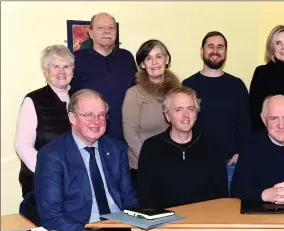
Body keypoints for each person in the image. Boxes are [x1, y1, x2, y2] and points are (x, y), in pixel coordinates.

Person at [34, 89, 139, 231]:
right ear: (72, 118)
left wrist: (138, 225)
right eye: (89, 115)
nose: (96, 121)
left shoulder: (116, 149)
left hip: (121, 225)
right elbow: (52, 215)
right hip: (81, 228)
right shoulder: (52, 156)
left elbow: (129, 198)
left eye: (101, 115)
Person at [137, 87, 228, 209]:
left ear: (196, 114)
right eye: (178, 110)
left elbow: (221, 195)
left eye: (190, 109)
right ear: (167, 116)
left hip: (204, 220)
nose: (186, 116)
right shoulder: (151, 148)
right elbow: (146, 197)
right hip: (165, 222)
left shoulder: (212, 146)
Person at [182, 31, 251, 192]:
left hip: (230, 164)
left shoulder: (237, 85)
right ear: (202, 51)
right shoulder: (188, 85)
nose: (215, 51)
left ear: (226, 52)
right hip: (197, 162)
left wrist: (241, 152)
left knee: (229, 213)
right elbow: (182, 123)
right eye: (210, 46)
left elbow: (246, 123)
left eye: (220, 47)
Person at [16, 45, 74, 226]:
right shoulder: (33, 100)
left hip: (74, 184)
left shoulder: (79, 98)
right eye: (55, 66)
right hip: (40, 184)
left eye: (66, 66)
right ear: (45, 71)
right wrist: (49, 173)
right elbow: (23, 145)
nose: (62, 72)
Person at [71, 12, 138, 142]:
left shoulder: (127, 57)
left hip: (124, 135)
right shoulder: (77, 59)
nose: (107, 31)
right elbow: (69, 96)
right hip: (90, 135)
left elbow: (137, 91)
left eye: (111, 28)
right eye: (100, 28)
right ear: (90, 32)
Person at [123, 39, 180, 188]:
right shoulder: (134, 93)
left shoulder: (178, 92)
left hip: (173, 163)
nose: (154, 62)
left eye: (158, 56)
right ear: (142, 64)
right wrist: (150, 160)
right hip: (143, 165)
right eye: (148, 58)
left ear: (166, 59)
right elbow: (130, 133)